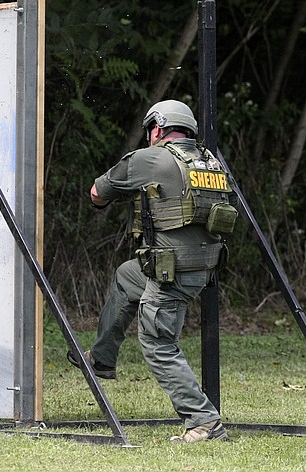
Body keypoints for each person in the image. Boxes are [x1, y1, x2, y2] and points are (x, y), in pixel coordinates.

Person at [67, 99, 237, 443]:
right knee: (127, 276)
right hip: (202, 266)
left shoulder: (150, 158)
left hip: (171, 271)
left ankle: (204, 421)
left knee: (158, 343)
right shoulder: (211, 163)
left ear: (157, 129)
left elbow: (97, 193)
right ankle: (102, 358)